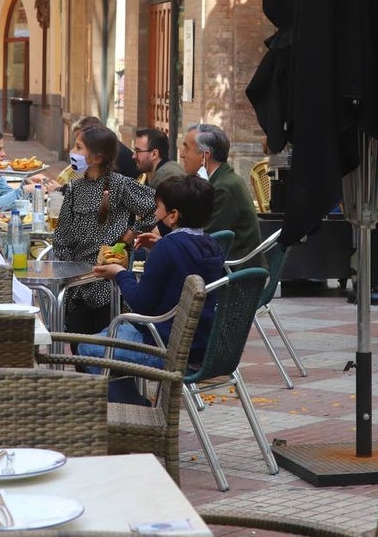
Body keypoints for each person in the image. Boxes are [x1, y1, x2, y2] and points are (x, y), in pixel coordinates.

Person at [82, 175, 224, 403]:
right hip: (202, 343)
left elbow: (141, 303)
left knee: (88, 348)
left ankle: (137, 410)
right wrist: (159, 247)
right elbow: (184, 264)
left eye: (158, 207)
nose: (155, 213)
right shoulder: (212, 245)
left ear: (174, 215)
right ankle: (131, 405)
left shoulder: (169, 248)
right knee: (110, 335)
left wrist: (120, 273)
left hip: (166, 344)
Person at [52, 124, 156, 334]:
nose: (73, 152)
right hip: (77, 286)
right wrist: (65, 272)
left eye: (79, 147)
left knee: (106, 344)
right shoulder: (74, 188)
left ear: (96, 158)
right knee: (78, 344)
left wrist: (131, 234)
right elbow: (61, 236)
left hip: (108, 283)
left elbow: (155, 207)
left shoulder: (121, 185)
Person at [180, 123, 261, 265]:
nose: (182, 154)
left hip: (235, 276)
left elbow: (205, 240)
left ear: (205, 156)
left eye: (187, 148)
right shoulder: (221, 180)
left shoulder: (223, 188)